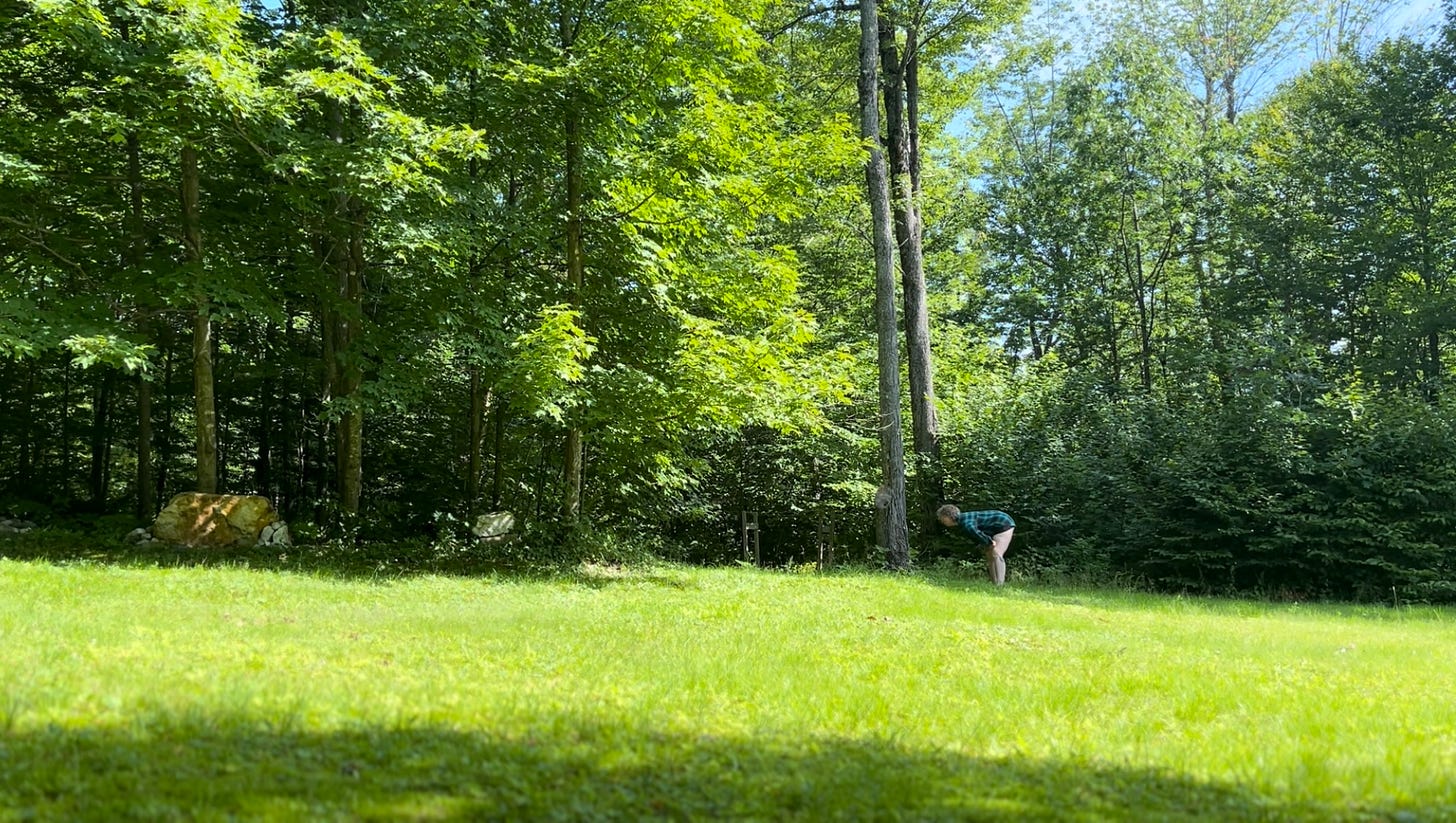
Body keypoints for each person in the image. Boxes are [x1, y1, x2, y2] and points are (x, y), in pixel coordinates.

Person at [937, 504, 1015, 586]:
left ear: (948, 516)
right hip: (994, 528)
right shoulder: (963, 520)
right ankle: (995, 584)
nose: (941, 521)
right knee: (989, 555)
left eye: (942, 518)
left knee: (996, 553)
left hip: (1004, 522)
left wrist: (989, 542)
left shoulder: (966, 522)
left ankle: (1000, 584)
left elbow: (976, 533)